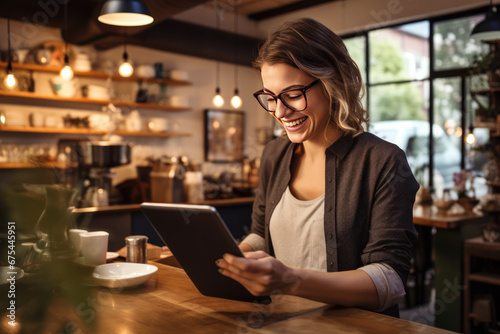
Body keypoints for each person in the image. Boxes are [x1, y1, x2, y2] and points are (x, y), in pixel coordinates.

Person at [215, 18, 418, 317]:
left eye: (293, 95)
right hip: (283, 323)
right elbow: (261, 234)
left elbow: (390, 280)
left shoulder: (382, 161)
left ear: (332, 82)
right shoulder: (274, 154)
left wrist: (289, 279)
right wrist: (224, 259)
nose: (280, 112)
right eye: (269, 98)